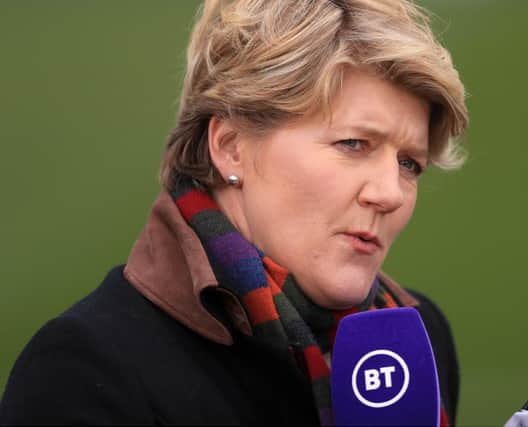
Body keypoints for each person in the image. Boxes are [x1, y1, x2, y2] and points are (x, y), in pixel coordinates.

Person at [0, 0, 468, 425]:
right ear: (230, 147)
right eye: (353, 144)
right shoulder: (86, 370)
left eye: (409, 164)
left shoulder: (420, 341)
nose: (391, 193)